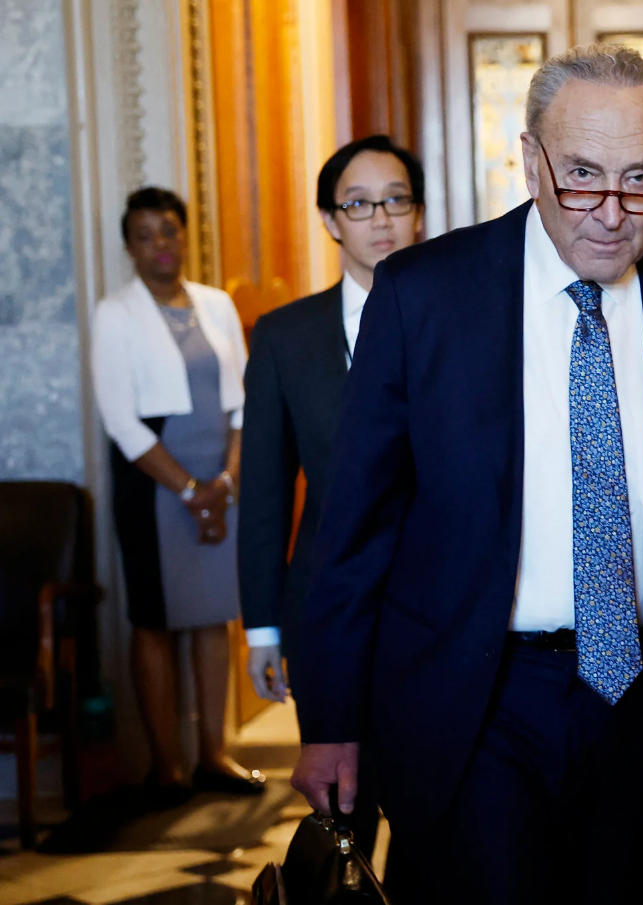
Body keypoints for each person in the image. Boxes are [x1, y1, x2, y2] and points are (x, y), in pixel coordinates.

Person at [287, 45, 643, 903]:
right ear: (532, 161)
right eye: (583, 177)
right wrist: (330, 717)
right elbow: (355, 525)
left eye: (641, 180)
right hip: (474, 699)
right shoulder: (423, 296)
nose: (612, 214)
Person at [237, 135, 425, 853]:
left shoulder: (461, 324)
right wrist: (262, 627)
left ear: (418, 213)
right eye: (359, 203)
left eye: (396, 200)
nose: (381, 218)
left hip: (438, 608)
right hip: (325, 611)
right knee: (345, 815)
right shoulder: (286, 337)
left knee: (438, 821)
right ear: (329, 220)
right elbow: (264, 490)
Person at [91, 187, 263, 805]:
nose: (160, 244)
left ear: (186, 235)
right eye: (144, 235)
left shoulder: (216, 304)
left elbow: (242, 402)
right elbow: (121, 420)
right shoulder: (115, 313)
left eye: (169, 230)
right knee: (156, 619)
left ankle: (213, 755)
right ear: (129, 247)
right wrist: (190, 489)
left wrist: (226, 481)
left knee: (214, 614)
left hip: (220, 478)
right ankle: (166, 766)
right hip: (154, 484)